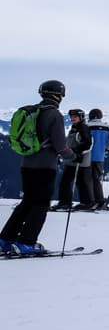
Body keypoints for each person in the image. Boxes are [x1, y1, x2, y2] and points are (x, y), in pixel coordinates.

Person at [1, 80, 75, 255]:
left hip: (27, 165)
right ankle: (26, 243)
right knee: (41, 204)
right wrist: (72, 155)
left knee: (27, 202)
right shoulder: (54, 115)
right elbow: (59, 145)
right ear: (58, 96)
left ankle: (5, 239)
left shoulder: (32, 111)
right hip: (46, 167)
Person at [53, 109, 96, 212]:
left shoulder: (83, 128)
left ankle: (66, 202)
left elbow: (88, 144)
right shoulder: (76, 127)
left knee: (67, 181)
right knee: (80, 182)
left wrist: (77, 152)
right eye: (71, 117)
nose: (72, 119)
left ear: (81, 117)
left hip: (78, 160)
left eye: (75, 117)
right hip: (75, 160)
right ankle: (86, 203)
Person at [87, 108, 109, 210]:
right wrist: (107, 148)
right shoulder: (106, 127)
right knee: (97, 180)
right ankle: (100, 202)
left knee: (87, 180)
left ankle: (91, 202)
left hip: (87, 157)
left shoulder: (87, 126)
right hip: (100, 157)